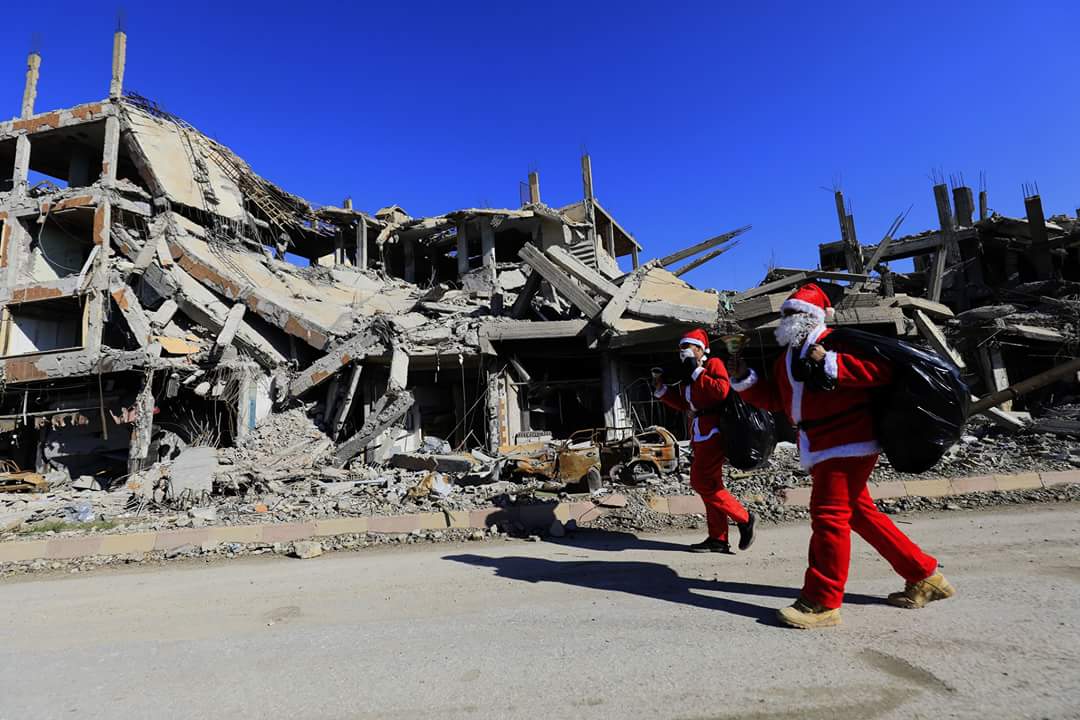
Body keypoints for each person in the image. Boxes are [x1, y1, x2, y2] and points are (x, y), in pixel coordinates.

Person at [729, 283, 954, 629]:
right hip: (818, 442)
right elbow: (777, 400)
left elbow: (882, 373)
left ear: (816, 316)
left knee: (828, 516)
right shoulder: (786, 358)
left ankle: (822, 601)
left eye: (799, 312)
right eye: (787, 312)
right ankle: (924, 575)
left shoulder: (837, 343)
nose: (790, 318)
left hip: (850, 440)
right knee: (860, 513)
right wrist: (745, 379)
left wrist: (831, 363)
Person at [654, 328, 756, 554]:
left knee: (700, 483)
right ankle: (718, 539)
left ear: (700, 349)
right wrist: (662, 390)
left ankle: (745, 517)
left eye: (687, 347)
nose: (683, 352)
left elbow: (720, 391)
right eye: (681, 348)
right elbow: (686, 404)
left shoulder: (713, 365)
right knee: (712, 486)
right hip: (699, 432)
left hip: (715, 432)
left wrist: (696, 371)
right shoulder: (687, 372)